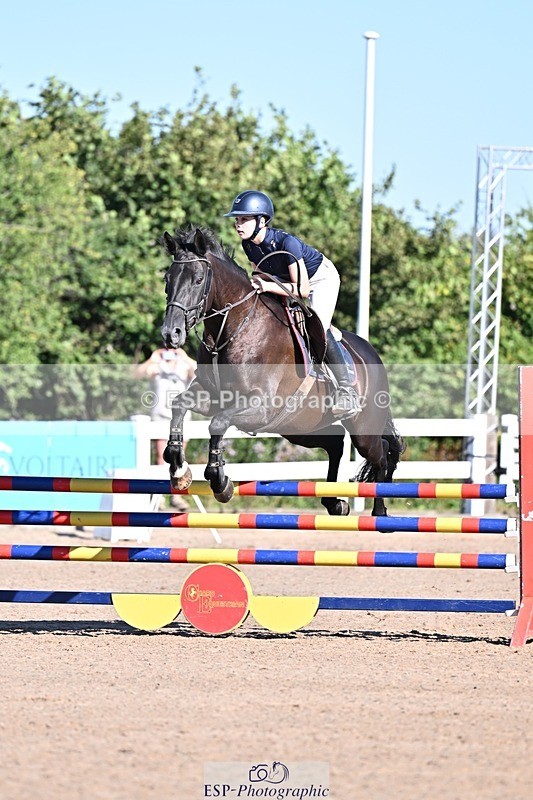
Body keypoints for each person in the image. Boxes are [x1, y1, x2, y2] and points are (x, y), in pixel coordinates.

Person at [224, 189, 361, 417]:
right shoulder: (248, 244)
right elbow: (261, 276)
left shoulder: (287, 243)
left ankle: (347, 392)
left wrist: (267, 287)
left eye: (244, 219)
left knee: (318, 328)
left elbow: (303, 291)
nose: (238, 224)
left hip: (319, 280)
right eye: (237, 219)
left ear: (261, 220)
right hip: (287, 282)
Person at [135, 347, 196, 510]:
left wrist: (185, 357)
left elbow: (202, 372)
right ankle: (160, 495)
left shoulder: (184, 365)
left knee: (180, 458)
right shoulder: (157, 366)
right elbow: (137, 374)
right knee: (162, 459)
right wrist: (152, 358)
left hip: (181, 417)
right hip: (161, 416)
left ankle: (177, 495)